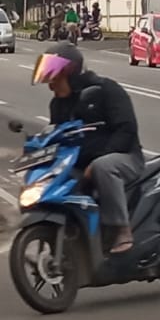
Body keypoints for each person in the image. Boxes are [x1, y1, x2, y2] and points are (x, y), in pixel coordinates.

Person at [32, 42, 142, 254]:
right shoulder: (58, 105)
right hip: (80, 163)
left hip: (124, 158)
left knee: (103, 167)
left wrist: (99, 158)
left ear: (70, 73)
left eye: (55, 76)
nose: (50, 84)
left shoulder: (105, 90)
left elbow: (127, 129)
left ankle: (121, 229)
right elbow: (58, 137)